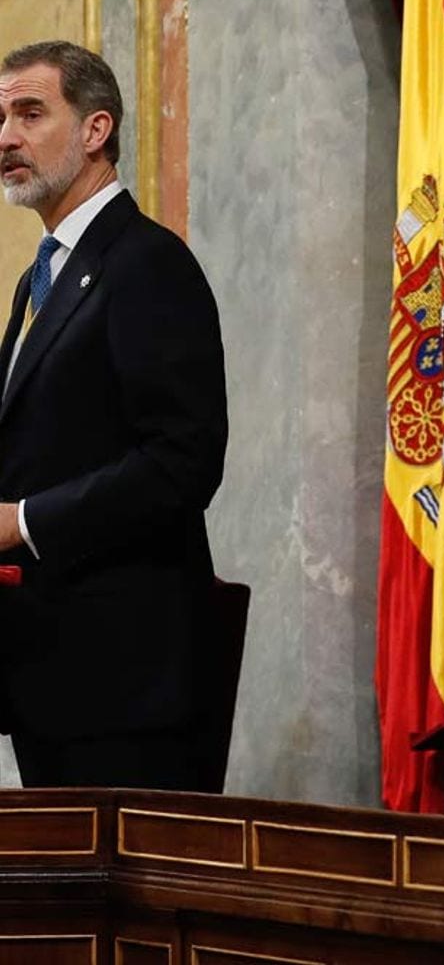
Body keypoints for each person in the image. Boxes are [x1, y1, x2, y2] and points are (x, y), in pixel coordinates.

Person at [0, 40, 227, 788]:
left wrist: (24, 519)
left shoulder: (145, 263)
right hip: (48, 677)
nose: (6, 137)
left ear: (96, 130)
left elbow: (182, 462)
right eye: (1, 118)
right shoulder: (39, 280)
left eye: (30, 113)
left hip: (129, 691)